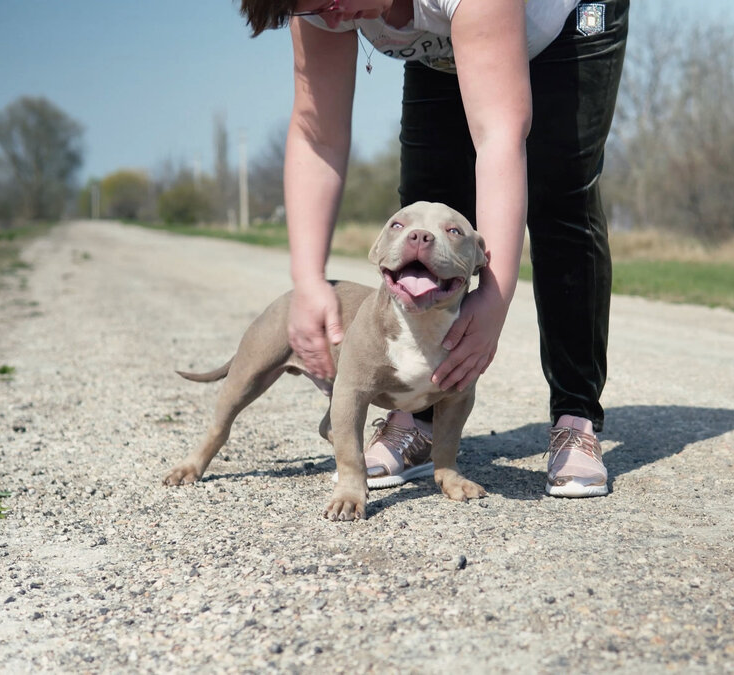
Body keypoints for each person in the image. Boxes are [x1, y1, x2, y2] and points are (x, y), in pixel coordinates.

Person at [239, 0, 628, 497]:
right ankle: (417, 417)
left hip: (566, 21)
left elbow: (499, 137)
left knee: (560, 196)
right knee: (428, 204)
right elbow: (319, 135)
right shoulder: (321, 8)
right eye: (313, 11)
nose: (333, 21)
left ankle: (575, 417)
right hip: (450, 34)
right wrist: (308, 278)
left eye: (332, 4)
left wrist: (493, 297)